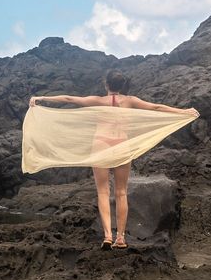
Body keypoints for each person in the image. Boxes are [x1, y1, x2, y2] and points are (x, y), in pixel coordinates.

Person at [27, 70, 197, 250]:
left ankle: (107, 235)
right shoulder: (131, 101)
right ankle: (121, 238)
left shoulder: (98, 101)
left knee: (102, 192)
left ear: (106, 84)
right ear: (122, 85)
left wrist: (40, 98)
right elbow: (156, 107)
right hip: (121, 145)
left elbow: (70, 99)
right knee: (121, 192)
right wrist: (184, 111)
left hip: (101, 144)